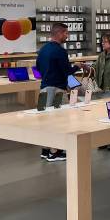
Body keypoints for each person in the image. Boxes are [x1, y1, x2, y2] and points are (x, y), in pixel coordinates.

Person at [36, 23, 85, 161]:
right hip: (57, 89)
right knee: (58, 120)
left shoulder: (43, 50)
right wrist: (77, 66)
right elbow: (66, 71)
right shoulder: (60, 51)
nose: (67, 36)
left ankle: (45, 150)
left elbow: (38, 67)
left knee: (45, 121)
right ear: (59, 33)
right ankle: (55, 152)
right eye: (66, 33)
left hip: (44, 88)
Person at [92, 32, 110, 150]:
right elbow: (95, 67)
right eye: (102, 41)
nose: (103, 43)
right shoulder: (102, 55)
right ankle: (103, 139)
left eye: (106, 41)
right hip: (102, 89)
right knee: (102, 114)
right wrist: (86, 67)